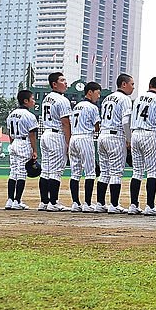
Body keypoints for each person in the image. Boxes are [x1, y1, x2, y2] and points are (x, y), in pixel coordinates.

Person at [128, 77, 156, 216]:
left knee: (137, 172)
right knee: (152, 172)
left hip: (135, 133)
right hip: (149, 134)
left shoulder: (138, 98)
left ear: (150, 85)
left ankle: (133, 205)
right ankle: (150, 206)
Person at [96, 74, 134, 213]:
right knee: (116, 173)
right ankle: (114, 204)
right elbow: (125, 121)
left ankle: (100, 204)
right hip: (115, 136)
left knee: (104, 172)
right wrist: (129, 139)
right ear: (124, 84)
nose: (133, 87)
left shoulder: (107, 98)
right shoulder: (125, 99)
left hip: (103, 135)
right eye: (132, 84)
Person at [38, 72, 73, 211]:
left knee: (45, 171)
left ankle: (44, 202)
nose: (66, 83)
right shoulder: (62, 100)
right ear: (54, 84)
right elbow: (65, 123)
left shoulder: (47, 98)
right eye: (62, 80)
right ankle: (53, 202)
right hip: (56, 135)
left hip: (46, 134)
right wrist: (69, 142)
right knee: (56, 171)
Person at [68, 82, 102, 212]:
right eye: (97, 93)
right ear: (90, 92)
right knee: (90, 172)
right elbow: (97, 126)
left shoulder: (76, 106)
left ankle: (75, 203)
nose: (98, 96)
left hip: (74, 138)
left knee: (75, 173)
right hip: (85, 138)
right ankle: (87, 203)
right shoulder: (92, 107)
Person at [4, 90, 38, 210]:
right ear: (25, 101)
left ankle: (9, 200)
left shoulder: (11, 114)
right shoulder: (29, 115)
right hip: (24, 142)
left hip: (14, 143)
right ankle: (17, 201)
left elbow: (9, 132)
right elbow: (32, 134)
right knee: (22, 173)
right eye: (32, 99)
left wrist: (12, 145)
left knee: (13, 172)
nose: (33, 101)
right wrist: (34, 150)